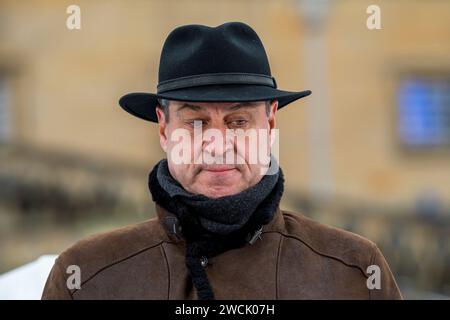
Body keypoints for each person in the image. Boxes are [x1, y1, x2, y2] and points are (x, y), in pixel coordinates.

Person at [42, 22, 402, 300]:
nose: (216, 145)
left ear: (271, 122)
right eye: (194, 122)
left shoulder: (352, 271)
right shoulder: (87, 276)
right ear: (164, 128)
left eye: (238, 121)